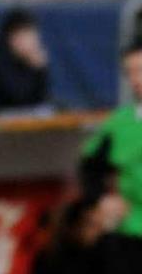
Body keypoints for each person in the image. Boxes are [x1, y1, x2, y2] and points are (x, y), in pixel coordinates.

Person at [77, 40, 142, 273]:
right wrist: (102, 198)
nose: (136, 78)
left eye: (140, 70)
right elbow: (89, 167)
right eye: (130, 72)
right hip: (132, 231)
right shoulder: (119, 123)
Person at [0, 8, 49, 111]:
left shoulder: (30, 60)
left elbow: (39, 100)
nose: (30, 41)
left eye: (32, 35)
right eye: (24, 36)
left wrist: (41, 72)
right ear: (10, 37)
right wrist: (37, 70)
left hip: (24, 115)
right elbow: (17, 99)